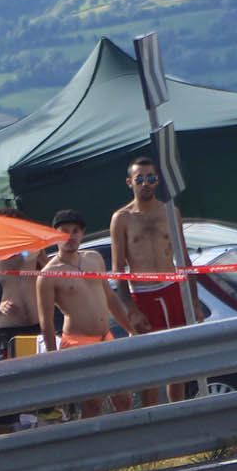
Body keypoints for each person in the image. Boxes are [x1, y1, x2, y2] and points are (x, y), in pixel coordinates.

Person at [36, 208, 149, 417]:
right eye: (64, 231)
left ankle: (125, 437)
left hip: (106, 337)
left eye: (75, 231)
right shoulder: (48, 274)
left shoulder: (94, 258)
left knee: (123, 398)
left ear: (82, 234)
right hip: (78, 343)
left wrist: (129, 329)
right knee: (92, 403)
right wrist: (53, 359)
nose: (70, 236)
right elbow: (47, 322)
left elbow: (110, 298)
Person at [110, 155, 197, 404]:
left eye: (150, 178)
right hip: (143, 295)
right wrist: (131, 311)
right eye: (140, 179)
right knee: (150, 368)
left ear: (157, 181)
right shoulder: (122, 218)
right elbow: (118, 269)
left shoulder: (170, 212)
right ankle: (153, 418)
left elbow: (184, 259)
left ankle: (178, 414)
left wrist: (193, 303)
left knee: (177, 365)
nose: (145, 183)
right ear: (130, 182)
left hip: (172, 290)